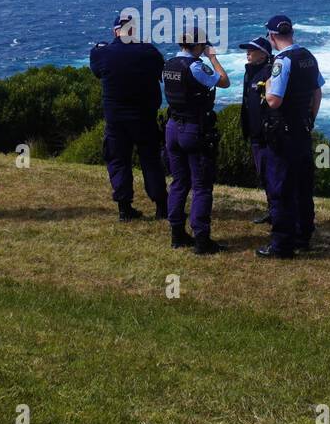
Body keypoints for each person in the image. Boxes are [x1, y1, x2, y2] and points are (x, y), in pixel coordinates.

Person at [89, 14, 168, 222]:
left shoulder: (102, 54)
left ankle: (125, 208)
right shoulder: (148, 52)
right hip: (144, 117)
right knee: (151, 161)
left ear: (116, 31)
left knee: (118, 161)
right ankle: (161, 206)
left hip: (116, 119)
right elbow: (160, 69)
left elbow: (96, 71)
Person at [257, 15, 324, 259]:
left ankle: (281, 245)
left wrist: (264, 86)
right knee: (303, 186)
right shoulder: (308, 56)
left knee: (281, 188)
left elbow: (274, 101)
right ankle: (303, 235)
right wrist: (311, 120)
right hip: (303, 130)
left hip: (283, 134)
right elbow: (317, 93)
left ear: (272, 36)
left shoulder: (281, 62)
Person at [162, 27, 230, 254]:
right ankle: (202, 239)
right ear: (198, 45)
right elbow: (223, 81)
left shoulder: (169, 64)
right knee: (201, 186)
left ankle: (177, 233)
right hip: (193, 128)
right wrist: (213, 58)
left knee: (179, 182)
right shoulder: (196, 66)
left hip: (172, 127)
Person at [238, 36, 274, 226]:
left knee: (272, 174)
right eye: (248, 49)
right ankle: (272, 209)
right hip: (254, 133)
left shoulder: (269, 72)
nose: (248, 52)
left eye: (252, 50)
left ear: (263, 55)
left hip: (267, 135)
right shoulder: (250, 73)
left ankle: (278, 212)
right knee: (263, 174)